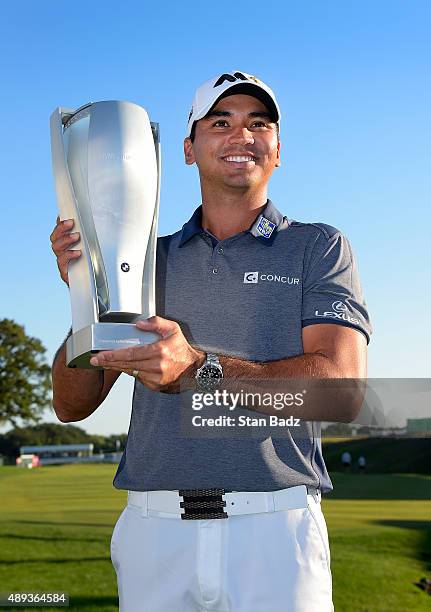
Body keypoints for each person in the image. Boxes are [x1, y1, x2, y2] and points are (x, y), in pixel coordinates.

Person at [50, 70, 372, 612]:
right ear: (186, 149)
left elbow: (341, 392)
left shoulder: (317, 247)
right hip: (156, 531)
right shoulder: (148, 260)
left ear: (277, 149)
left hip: (274, 528)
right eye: (220, 122)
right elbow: (71, 404)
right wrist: (88, 292)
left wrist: (200, 367)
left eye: (258, 123)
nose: (241, 135)